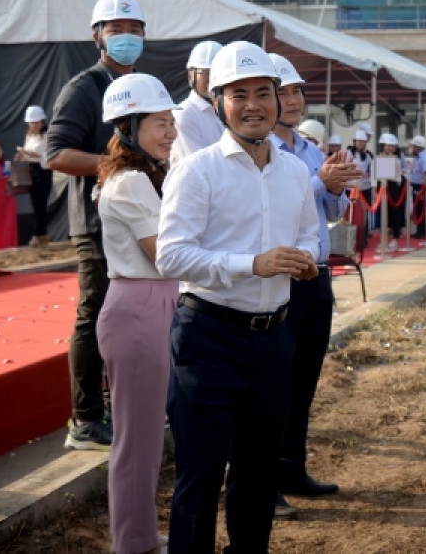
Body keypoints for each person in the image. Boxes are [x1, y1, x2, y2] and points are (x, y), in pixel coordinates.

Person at [156, 41, 320, 553]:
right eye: (239, 94)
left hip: (273, 338)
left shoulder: (294, 170)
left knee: (256, 470)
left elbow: (310, 232)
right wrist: (251, 264)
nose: (254, 104)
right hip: (208, 337)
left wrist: (307, 256)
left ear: (278, 97)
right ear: (219, 101)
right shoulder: (197, 170)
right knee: (200, 476)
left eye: (263, 93)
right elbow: (172, 257)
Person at [46, 0, 146, 451]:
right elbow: (57, 154)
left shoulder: (139, 88)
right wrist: (117, 167)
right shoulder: (84, 87)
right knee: (96, 313)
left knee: (128, 316)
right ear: (96, 35)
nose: (126, 38)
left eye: (134, 30)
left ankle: (124, 408)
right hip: (94, 221)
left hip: (133, 221)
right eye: (116, 29)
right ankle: (85, 420)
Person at [93, 73, 180, 554]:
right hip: (141, 306)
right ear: (128, 125)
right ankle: (133, 543)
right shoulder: (130, 183)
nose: (170, 132)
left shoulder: (147, 176)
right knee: (137, 440)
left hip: (155, 301)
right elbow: (165, 254)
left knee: (149, 436)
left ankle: (141, 535)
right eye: (159, 123)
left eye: (171, 122)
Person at [267, 53, 355, 519]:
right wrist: (320, 183)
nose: (293, 100)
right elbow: (282, 206)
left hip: (318, 275)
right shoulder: (263, 152)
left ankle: (292, 468)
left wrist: (335, 187)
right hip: (282, 277)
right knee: (273, 383)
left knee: (304, 380)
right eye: (282, 92)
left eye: (297, 91)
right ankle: (264, 483)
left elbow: (329, 215)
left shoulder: (307, 148)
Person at [170, 40, 222, 164]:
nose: (212, 78)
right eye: (206, 72)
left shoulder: (226, 110)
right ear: (190, 75)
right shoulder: (185, 114)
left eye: (217, 72)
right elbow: (197, 168)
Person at [16, 106, 53, 247]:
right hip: (30, 169)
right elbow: (27, 153)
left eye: (36, 122)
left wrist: (35, 155)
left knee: (40, 203)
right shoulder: (29, 136)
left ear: (43, 121)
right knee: (35, 204)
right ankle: (42, 234)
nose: (34, 125)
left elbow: (50, 155)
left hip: (43, 170)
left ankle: (38, 234)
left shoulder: (48, 135)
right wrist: (22, 155)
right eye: (31, 123)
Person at [377, 132, 406, 248]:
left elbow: (397, 177)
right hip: (382, 188)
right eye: (388, 145)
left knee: (395, 214)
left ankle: (395, 239)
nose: (390, 148)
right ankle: (383, 240)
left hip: (394, 189)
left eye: (392, 146)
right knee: (384, 215)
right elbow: (376, 176)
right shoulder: (378, 158)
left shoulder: (396, 160)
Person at [407, 135, 426, 240]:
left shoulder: (424, 158)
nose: (412, 149)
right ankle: (420, 230)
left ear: (418, 147)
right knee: (417, 209)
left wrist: (423, 188)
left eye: (413, 147)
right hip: (417, 185)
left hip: (421, 186)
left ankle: (422, 232)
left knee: (420, 209)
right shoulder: (418, 157)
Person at [349, 129, 374, 228]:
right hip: (351, 188)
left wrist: (367, 174)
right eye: (358, 141)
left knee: (364, 213)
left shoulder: (367, 156)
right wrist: (356, 172)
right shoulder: (348, 154)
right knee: (352, 212)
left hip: (365, 188)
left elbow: (373, 170)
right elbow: (344, 168)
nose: (360, 143)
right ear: (354, 142)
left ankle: (364, 236)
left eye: (362, 142)